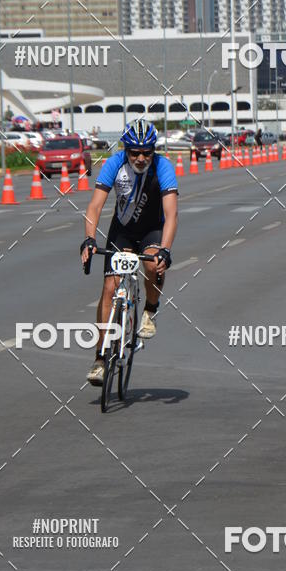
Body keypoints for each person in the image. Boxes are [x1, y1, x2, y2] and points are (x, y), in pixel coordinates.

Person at [80, 120, 179, 386]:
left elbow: (171, 215)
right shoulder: (114, 164)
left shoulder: (163, 167)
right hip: (122, 230)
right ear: (126, 149)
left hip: (152, 230)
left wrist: (166, 251)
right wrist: (89, 240)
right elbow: (94, 207)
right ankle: (100, 358)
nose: (141, 158)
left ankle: (149, 309)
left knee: (151, 265)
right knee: (110, 289)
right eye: (135, 152)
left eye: (146, 152)